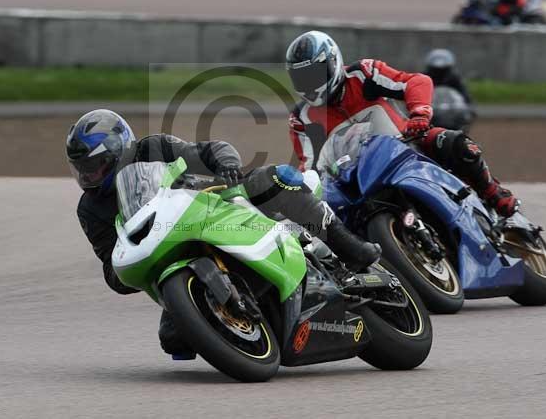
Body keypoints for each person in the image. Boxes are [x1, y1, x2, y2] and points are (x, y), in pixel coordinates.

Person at [66, 109, 380, 358]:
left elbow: (204, 150)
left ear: (119, 151)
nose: (87, 177)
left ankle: (348, 246)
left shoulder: (151, 148)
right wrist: (123, 268)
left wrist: (226, 164)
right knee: (174, 341)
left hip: (211, 204)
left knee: (275, 179)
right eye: (81, 169)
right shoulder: (90, 209)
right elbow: (109, 262)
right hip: (168, 252)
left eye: (95, 166)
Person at [285, 30, 519, 217]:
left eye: (314, 75)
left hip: (405, 144)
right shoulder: (302, 118)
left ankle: (492, 191)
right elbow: (310, 166)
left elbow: (415, 81)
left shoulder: (363, 73)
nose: (310, 84)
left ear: (333, 62)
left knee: (455, 143)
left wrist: (419, 115)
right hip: (355, 176)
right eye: (302, 78)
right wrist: (299, 191)